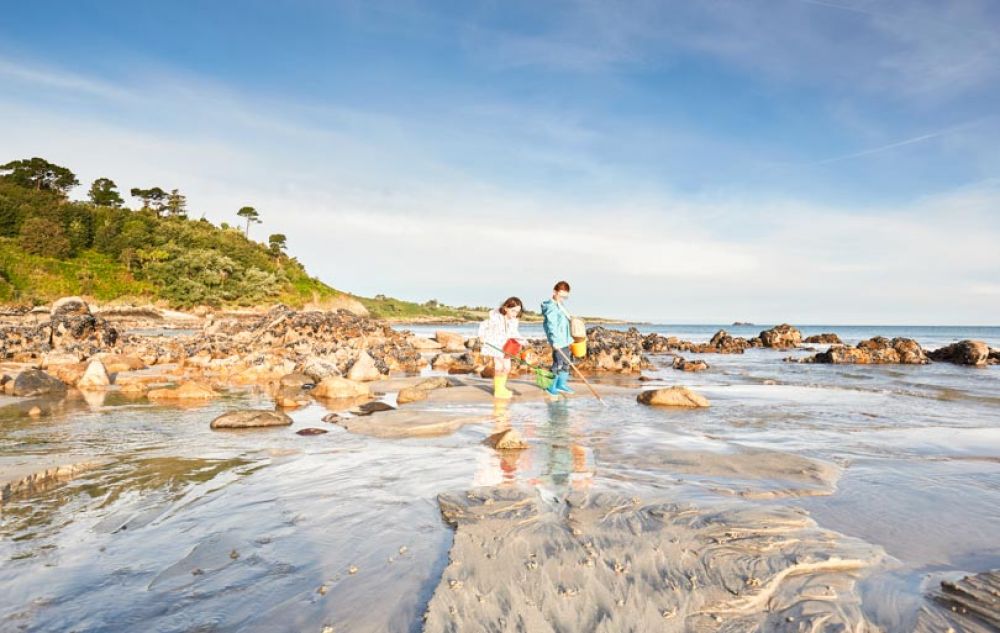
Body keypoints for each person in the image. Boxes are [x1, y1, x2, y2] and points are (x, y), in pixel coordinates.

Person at [477, 296, 526, 399]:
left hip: (507, 346)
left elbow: (514, 332)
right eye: (513, 311)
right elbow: (483, 325)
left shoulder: (514, 320)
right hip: (495, 344)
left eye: (517, 311)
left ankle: (501, 387)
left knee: (507, 368)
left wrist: (522, 340)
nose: (515, 314)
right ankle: (498, 390)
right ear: (505, 308)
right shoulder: (496, 318)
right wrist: (481, 336)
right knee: (500, 367)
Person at [540, 281, 574, 396]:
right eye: (561, 295)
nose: (563, 299)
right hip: (557, 340)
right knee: (558, 363)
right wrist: (555, 341)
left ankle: (561, 384)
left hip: (565, 339)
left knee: (566, 362)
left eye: (565, 297)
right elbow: (552, 325)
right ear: (555, 292)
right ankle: (551, 386)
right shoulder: (550, 307)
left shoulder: (560, 305)